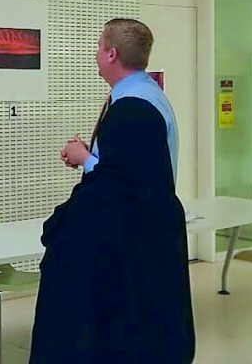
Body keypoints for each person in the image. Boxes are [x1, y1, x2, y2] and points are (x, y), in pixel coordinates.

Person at [30, 18, 195, 364]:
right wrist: (89, 157)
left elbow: (126, 183)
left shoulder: (134, 108)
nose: (95, 53)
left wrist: (87, 160)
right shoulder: (145, 97)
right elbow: (131, 168)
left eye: (99, 46)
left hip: (131, 240)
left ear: (111, 54)